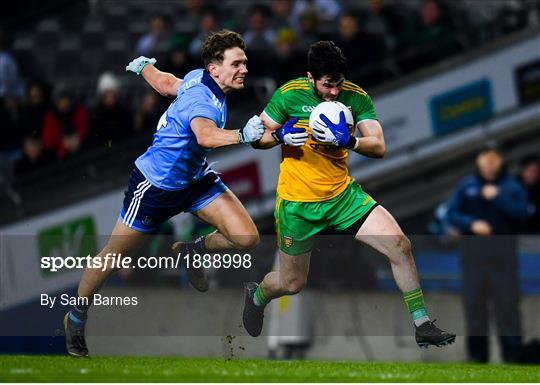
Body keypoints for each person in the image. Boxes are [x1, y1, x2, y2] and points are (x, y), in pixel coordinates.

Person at [64, 30, 265, 357]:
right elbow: (205, 135)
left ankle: (193, 250)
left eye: (245, 62)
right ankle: (76, 317)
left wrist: (144, 67)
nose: (244, 69)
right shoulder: (203, 100)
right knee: (113, 257)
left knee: (248, 237)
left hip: (195, 180)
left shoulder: (200, 77)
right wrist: (243, 134)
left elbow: (167, 84)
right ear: (216, 69)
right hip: (155, 188)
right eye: (237, 63)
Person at [242, 41, 455, 348]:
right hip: (297, 203)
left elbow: (379, 145)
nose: (333, 92)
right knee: (292, 283)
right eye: (327, 85)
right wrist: (278, 135)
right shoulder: (289, 94)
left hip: (343, 197)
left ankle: (422, 324)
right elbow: (257, 138)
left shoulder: (355, 97)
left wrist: (350, 141)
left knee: (400, 245)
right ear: (311, 77)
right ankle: (257, 294)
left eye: (338, 84)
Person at [447, 145, 529, 363]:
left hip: (503, 258)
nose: (489, 163)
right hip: (473, 258)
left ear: (501, 161)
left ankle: (513, 355)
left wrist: (497, 198)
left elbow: (523, 216)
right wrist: (471, 223)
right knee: (474, 306)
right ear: (478, 160)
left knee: (508, 306)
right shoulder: (467, 186)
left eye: (494, 158)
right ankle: (477, 356)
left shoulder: (512, 187)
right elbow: (452, 213)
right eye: (485, 158)